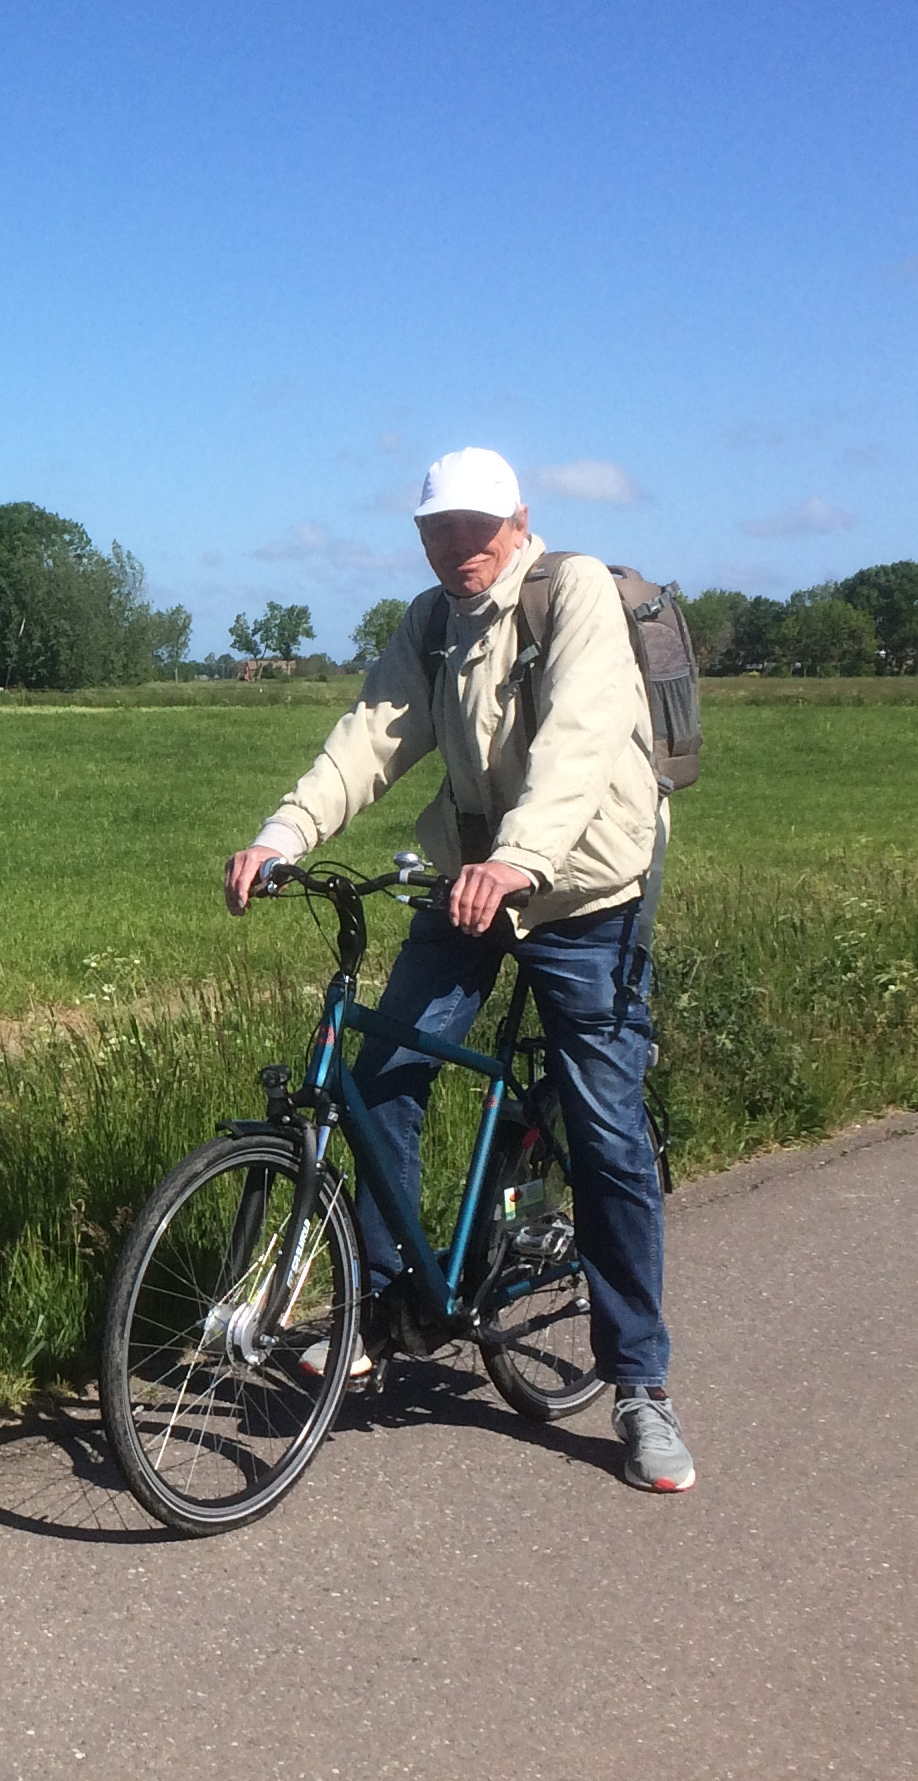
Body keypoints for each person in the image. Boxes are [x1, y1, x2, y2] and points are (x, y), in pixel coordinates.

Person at [224, 448, 693, 1493]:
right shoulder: (433, 622)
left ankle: (640, 1387)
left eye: (476, 528)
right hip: (472, 882)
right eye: (438, 530)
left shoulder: (573, 592)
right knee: (384, 1075)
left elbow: (578, 742)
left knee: (606, 1132)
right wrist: (282, 834)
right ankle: (388, 1307)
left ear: (519, 520)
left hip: (583, 894)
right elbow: (371, 737)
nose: (457, 547)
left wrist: (521, 859)